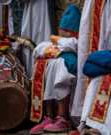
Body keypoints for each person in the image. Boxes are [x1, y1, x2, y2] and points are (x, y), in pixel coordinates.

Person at [30, 4, 81, 134]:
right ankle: (48, 116)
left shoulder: (75, 42)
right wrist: (55, 46)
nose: (63, 34)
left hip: (69, 67)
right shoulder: (56, 43)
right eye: (62, 30)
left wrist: (58, 43)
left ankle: (62, 117)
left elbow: (71, 44)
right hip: (56, 62)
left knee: (60, 67)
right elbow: (38, 50)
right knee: (45, 65)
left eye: (67, 32)